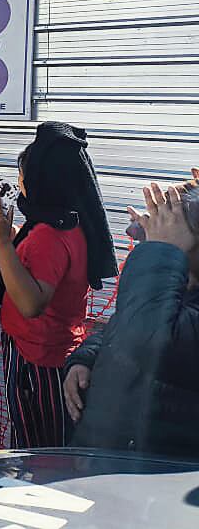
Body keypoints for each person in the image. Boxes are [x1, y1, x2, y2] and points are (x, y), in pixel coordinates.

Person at [0, 122, 117, 448]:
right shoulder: (64, 222)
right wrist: (9, 238)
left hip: (38, 361)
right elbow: (36, 268)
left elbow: (31, 304)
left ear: (43, 180)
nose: (19, 183)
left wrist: (1, 244)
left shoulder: (49, 235)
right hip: (46, 351)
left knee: (40, 451)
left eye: (23, 176)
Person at [63, 172, 199, 457]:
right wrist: (86, 358)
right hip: (109, 459)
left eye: (172, 223)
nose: (156, 230)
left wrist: (161, 251)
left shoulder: (161, 279)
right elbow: (123, 321)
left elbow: (149, 336)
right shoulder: (175, 285)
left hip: (154, 473)